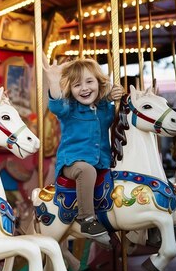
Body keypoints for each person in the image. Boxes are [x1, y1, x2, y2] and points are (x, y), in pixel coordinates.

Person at [42, 56, 123, 239]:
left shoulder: (105, 108)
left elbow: (120, 116)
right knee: (86, 171)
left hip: (102, 163)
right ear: (70, 89)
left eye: (89, 82)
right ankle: (86, 219)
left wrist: (117, 96)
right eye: (77, 85)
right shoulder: (69, 109)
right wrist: (54, 82)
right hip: (73, 164)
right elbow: (56, 105)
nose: (84, 88)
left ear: (99, 83)